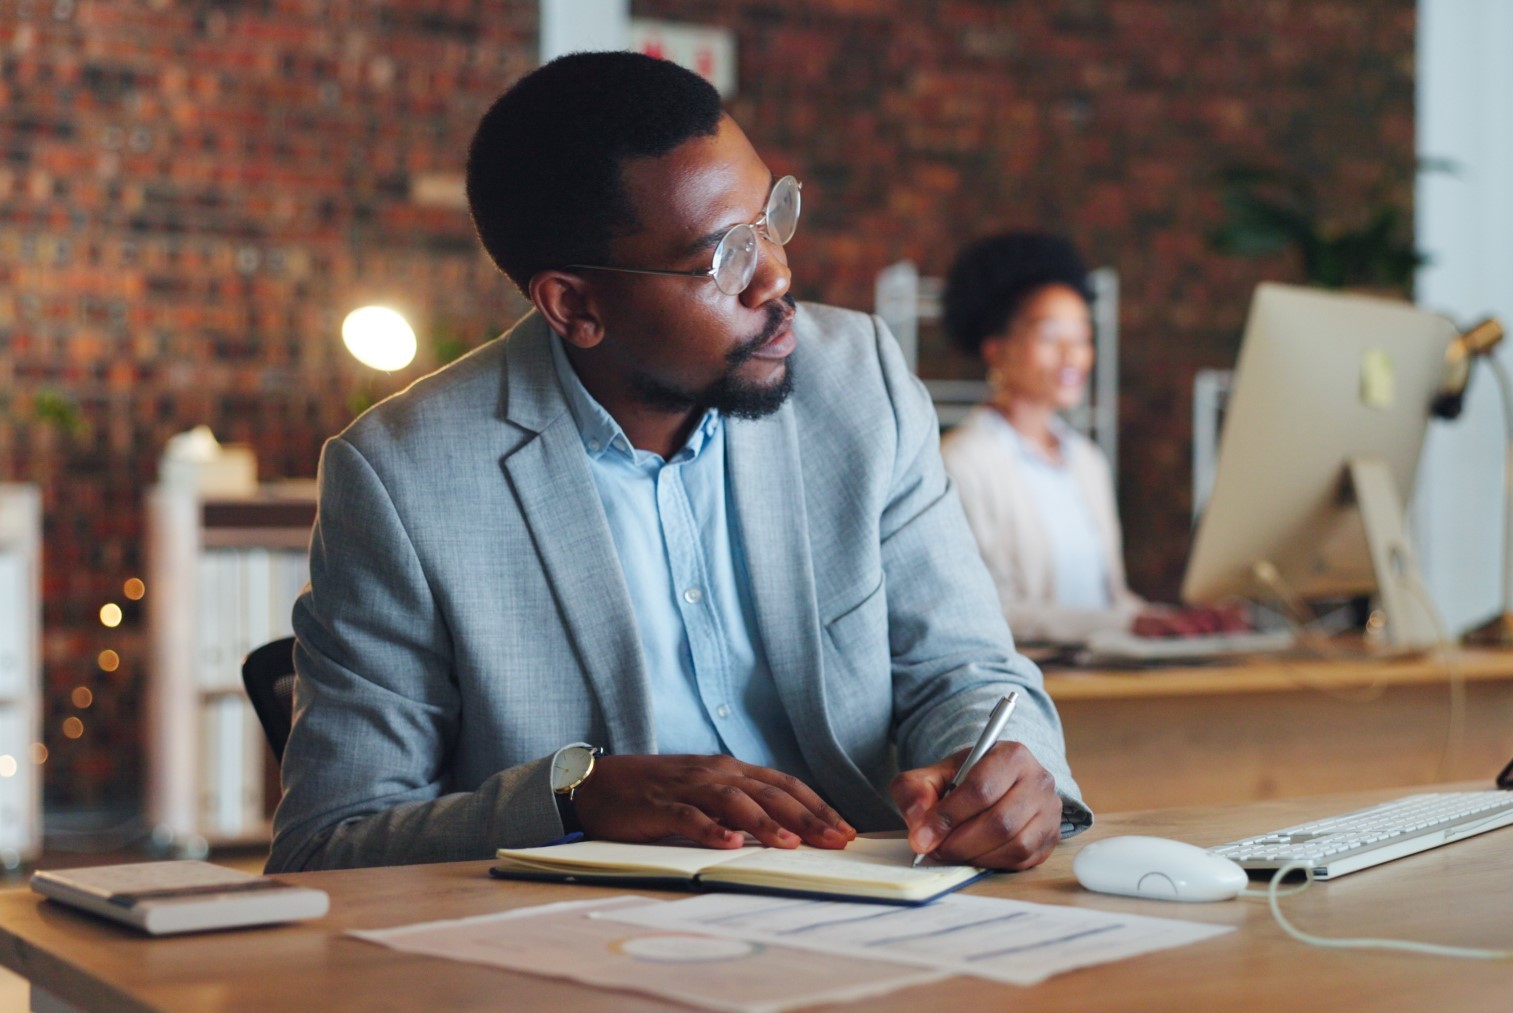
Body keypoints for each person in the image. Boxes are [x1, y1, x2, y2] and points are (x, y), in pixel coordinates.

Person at [266, 53, 1087, 874]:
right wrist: (572, 798)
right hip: (585, 932)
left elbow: (966, 668)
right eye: (724, 256)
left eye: (772, 218)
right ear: (574, 304)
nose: (776, 275)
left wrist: (1000, 767)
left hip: (880, 895)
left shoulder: (858, 382)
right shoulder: (404, 476)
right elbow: (329, 840)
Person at [938, 232, 1246, 643]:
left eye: (1082, 337)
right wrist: (1127, 624)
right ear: (997, 350)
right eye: (1050, 336)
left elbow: (1111, 600)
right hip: (1032, 677)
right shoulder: (963, 462)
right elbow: (986, 612)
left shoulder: (1086, 460)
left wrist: (1181, 622)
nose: (1072, 355)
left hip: (1105, 673)